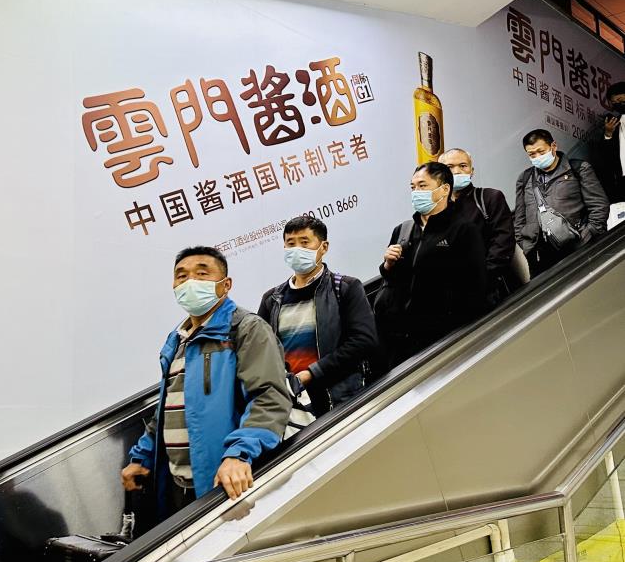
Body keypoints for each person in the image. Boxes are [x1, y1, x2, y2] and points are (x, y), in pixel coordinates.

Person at [121, 246, 290, 516]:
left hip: (226, 482)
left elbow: (269, 397)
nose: (190, 282)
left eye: (202, 274)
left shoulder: (245, 329)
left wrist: (238, 454)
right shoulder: (177, 339)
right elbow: (167, 408)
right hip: (177, 484)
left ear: (226, 285)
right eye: (182, 276)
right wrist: (143, 456)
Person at [256, 216, 379, 417]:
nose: (297, 249)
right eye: (290, 243)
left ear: (324, 247)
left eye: (304, 242)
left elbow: (364, 341)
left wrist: (312, 373)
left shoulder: (345, 287)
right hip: (294, 405)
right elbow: (261, 352)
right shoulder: (272, 300)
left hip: (340, 397)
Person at [373, 162, 487, 368]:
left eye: (423, 186)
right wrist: (388, 265)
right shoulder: (403, 230)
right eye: (413, 187)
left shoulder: (463, 230)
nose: (416, 192)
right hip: (401, 339)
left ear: (444, 189)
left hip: (442, 337)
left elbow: (476, 287)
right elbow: (395, 281)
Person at [515, 129, 609, 277]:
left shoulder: (578, 169)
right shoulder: (525, 178)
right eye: (532, 154)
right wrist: (526, 244)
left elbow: (599, 206)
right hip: (541, 257)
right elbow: (519, 218)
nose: (537, 157)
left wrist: (587, 235)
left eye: (541, 151)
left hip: (579, 247)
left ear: (553, 146)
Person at [440, 148, 525, 306]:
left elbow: (503, 241)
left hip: (495, 289)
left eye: (463, 166)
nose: (456, 171)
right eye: (450, 167)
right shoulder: (438, 212)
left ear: (472, 171)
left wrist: (481, 278)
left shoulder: (489, 198)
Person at [590, 82, 625, 228]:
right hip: (621, 180)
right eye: (615, 102)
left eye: (621, 100)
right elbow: (606, 158)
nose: (619, 104)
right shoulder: (615, 123)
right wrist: (608, 134)